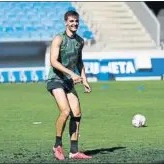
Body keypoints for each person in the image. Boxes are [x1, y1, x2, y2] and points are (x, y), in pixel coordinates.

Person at [46, 10, 92, 160]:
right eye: (71, 21)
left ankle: (74, 151)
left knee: (77, 114)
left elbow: (79, 62)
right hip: (56, 79)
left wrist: (84, 79)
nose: (74, 24)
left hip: (68, 81)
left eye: (76, 21)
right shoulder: (58, 39)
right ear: (66, 22)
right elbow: (53, 61)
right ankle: (57, 145)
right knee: (65, 111)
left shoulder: (80, 41)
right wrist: (72, 74)